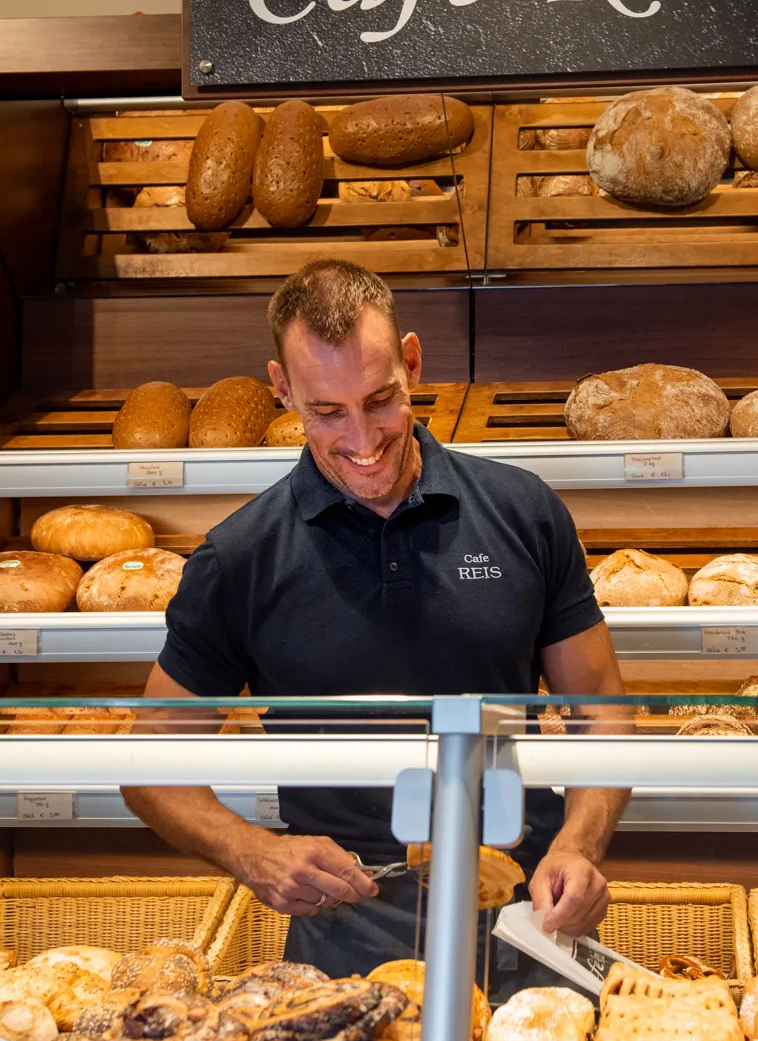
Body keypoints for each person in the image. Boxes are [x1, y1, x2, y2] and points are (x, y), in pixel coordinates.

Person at [122, 259, 631, 989]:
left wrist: (579, 846)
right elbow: (150, 767)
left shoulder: (523, 512)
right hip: (343, 937)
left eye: (382, 399)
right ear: (282, 389)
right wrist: (254, 853)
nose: (362, 438)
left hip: (530, 916)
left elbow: (602, 709)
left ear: (413, 363)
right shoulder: (241, 557)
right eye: (327, 411)